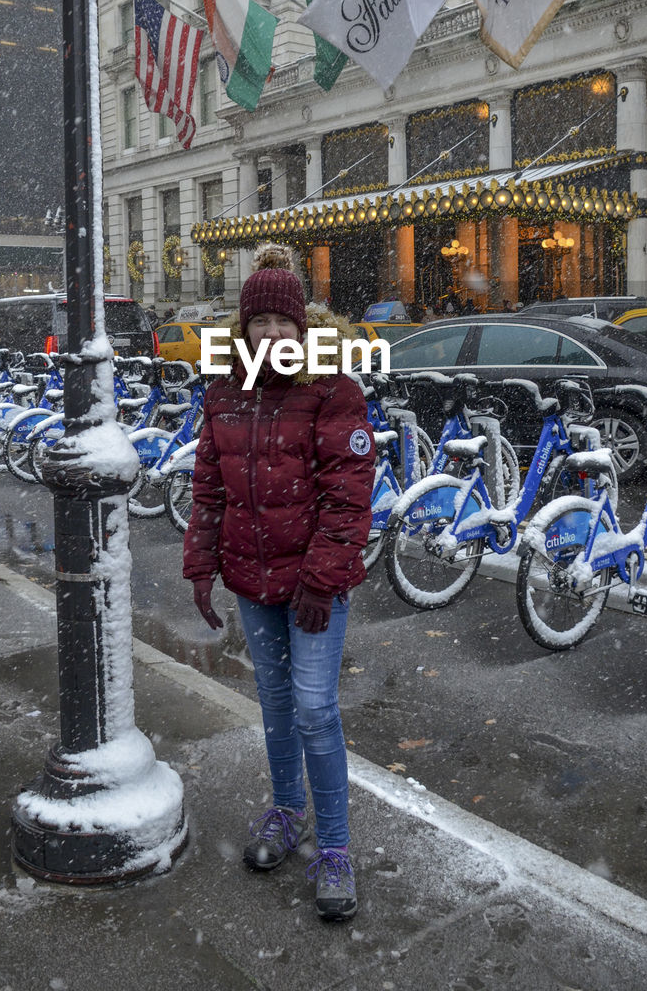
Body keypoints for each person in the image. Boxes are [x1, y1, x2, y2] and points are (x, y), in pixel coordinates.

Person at [183, 244, 374, 921]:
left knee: (316, 707)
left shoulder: (333, 392)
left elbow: (348, 500)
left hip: (312, 583)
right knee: (275, 703)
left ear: (301, 330)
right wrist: (202, 564)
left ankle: (336, 849)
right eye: (257, 321)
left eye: (280, 322)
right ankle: (286, 812)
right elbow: (209, 487)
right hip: (251, 579)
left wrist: (322, 580)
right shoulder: (224, 394)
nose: (269, 333)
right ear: (244, 329)